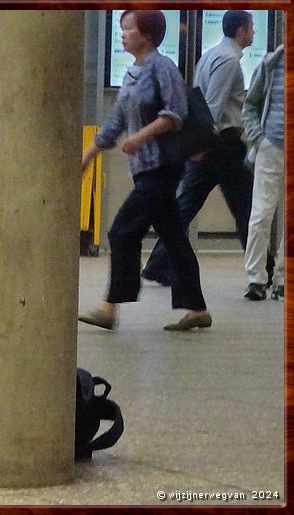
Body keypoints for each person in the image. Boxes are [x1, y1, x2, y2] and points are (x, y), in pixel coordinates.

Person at [78, 10, 212, 332]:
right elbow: (115, 123)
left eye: (128, 28)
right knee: (173, 238)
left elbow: (175, 113)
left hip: (161, 167)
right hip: (144, 169)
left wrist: (140, 136)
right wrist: (89, 154)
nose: (122, 34)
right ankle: (197, 309)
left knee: (122, 231)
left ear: (148, 35)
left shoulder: (162, 67)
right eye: (121, 28)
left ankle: (110, 306)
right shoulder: (132, 73)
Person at [141, 10, 266, 287]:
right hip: (222, 145)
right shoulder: (230, 61)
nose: (254, 33)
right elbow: (212, 107)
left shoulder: (210, 55)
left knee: (187, 205)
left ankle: (158, 264)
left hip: (210, 145)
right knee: (246, 206)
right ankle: (264, 271)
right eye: (251, 27)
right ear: (241, 30)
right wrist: (199, 144)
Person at [242, 44, 284, 301]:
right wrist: (258, 139)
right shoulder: (271, 64)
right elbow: (251, 105)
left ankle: (283, 279)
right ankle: (256, 279)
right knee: (261, 214)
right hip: (271, 147)